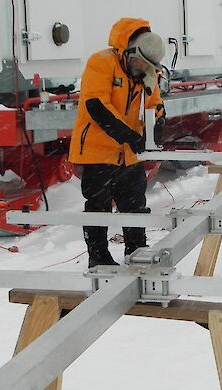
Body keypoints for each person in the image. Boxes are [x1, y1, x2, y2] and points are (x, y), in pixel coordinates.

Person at [68, 18, 166, 268]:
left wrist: (158, 125)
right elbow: (96, 106)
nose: (143, 68)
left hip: (130, 155)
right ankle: (98, 256)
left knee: (134, 204)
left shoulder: (146, 74)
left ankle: (137, 251)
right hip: (97, 152)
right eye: (141, 62)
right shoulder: (101, 62)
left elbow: (155, 104)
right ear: (130, 51)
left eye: (148, 66)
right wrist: (129, 135)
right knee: (98, 206)